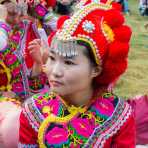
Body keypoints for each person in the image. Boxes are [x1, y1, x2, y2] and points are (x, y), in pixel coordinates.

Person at [17, 0, 135, 147]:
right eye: (52, 58)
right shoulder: (33, 110)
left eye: (69, 63)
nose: (55, 71)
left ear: (95, 70)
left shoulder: (118, 115)